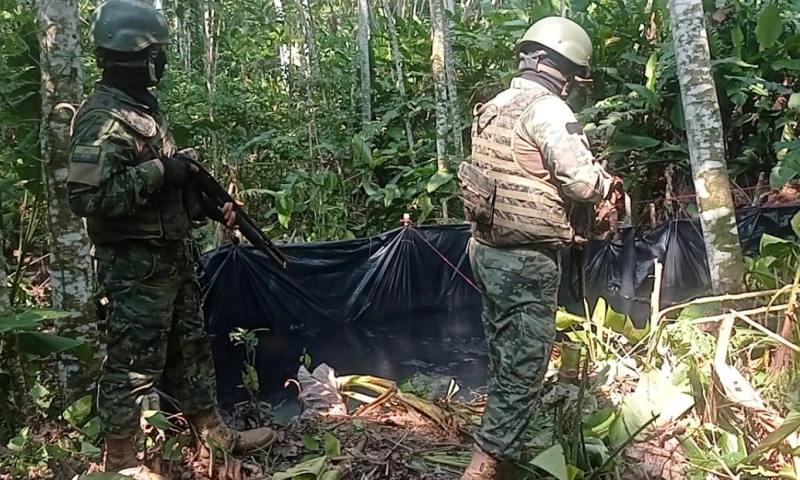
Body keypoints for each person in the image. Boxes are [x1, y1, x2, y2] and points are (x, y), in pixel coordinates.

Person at [66, 0, 276, 475]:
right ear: (137, 55)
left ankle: (212, 434)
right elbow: (87, 199)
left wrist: (201, 203)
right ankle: (122, 458)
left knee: (191, 346)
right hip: (135, 268)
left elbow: (160, 193)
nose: (161, 61)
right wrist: (162, 169)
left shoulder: (142, 111)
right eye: (156, 52)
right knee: (133, 364)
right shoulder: (102, 119)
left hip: (170, 259)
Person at [456, 16, 617, 479]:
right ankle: (483, 469)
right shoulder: (547, 110)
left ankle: (499, 456)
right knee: (523, 370)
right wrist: (606, 181)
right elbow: (583, 182)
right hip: (525, 260)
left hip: (485, 251)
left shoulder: (494, 104)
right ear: (563, 68)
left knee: (505, 355)